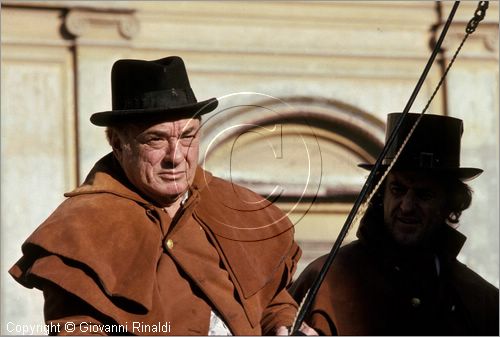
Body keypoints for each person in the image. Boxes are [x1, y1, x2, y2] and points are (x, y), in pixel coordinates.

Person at [9, 56, 313, 336]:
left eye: (188, 136)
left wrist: (283, 324)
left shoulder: (237, 205)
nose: (176, 156)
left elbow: (271, 300)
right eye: (156, 139)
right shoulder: (79, 229)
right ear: (118, 143)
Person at [290, 113, 499, 335]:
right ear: (381, 194)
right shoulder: (324, 282)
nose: (407, 206)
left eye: (423, 194)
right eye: (398, 189)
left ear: (449, 204)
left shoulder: (481, 302)